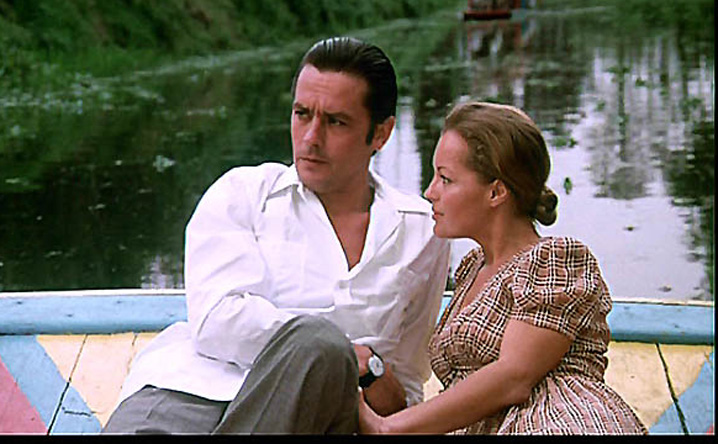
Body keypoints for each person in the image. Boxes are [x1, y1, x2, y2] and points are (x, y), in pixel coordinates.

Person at [103, 37, 450, 434]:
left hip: (318, 412)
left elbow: (401, 388)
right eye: (302, 114)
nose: (311, 138)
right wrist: (350, 354)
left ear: (381, 134)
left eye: (335, 122)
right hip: (192, 390)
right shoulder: (242, 194)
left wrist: (338, 361)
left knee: (319, 344)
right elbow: (217, 321)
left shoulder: (420, 230)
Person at [358, 101, 648, 435]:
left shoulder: (554, 258)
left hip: (559, 423)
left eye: (446, 179)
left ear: (496, 192)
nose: (430, 192)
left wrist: (387, 428)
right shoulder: (472, 268)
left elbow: (514, 377)